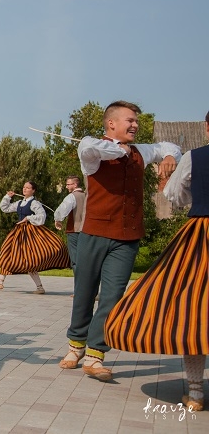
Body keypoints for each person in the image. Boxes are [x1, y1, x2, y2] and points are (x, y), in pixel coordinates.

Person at [59, 100, 180, 382]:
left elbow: (170, 147)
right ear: (111, 123)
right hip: (94, 233)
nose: (135, 125)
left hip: (127, 237)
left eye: (136, 121)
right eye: (130, 120)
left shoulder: (140, 151)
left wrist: (168, 156)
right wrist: (118, 148)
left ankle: (95, 355)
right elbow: (88, 148)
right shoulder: (93, 150)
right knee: (85, 291)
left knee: (112, 296)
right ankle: (75, 345)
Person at [105, 109, 208, 410]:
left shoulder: (195, 157)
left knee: (193, 308)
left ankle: (196, 392)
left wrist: (194, 196)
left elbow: (175, 195)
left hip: (201, 234)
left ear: (206, 127)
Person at [0, 181, 69, 294]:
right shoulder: (20, 203)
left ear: (33, 190)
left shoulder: (34, 203)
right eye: (24, 187)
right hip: (19, 232)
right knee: (8, 252)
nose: (24, 189)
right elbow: (5, 208)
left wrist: (29, 218)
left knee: (30, 259)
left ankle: (39, 287)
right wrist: (7, 197)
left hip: (30, 233)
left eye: (28, 188)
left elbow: (42, 216)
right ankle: (0, 282)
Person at [53, 175, 86, 269]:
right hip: (87, 231)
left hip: (74, 230)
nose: (66, 186)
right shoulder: (87, 196)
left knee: (75, 259)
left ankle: (79, 278)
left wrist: (58, 219)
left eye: (68, 184)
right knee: (85, 258)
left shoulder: (71, 197)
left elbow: (62, 209)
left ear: (75, 185)